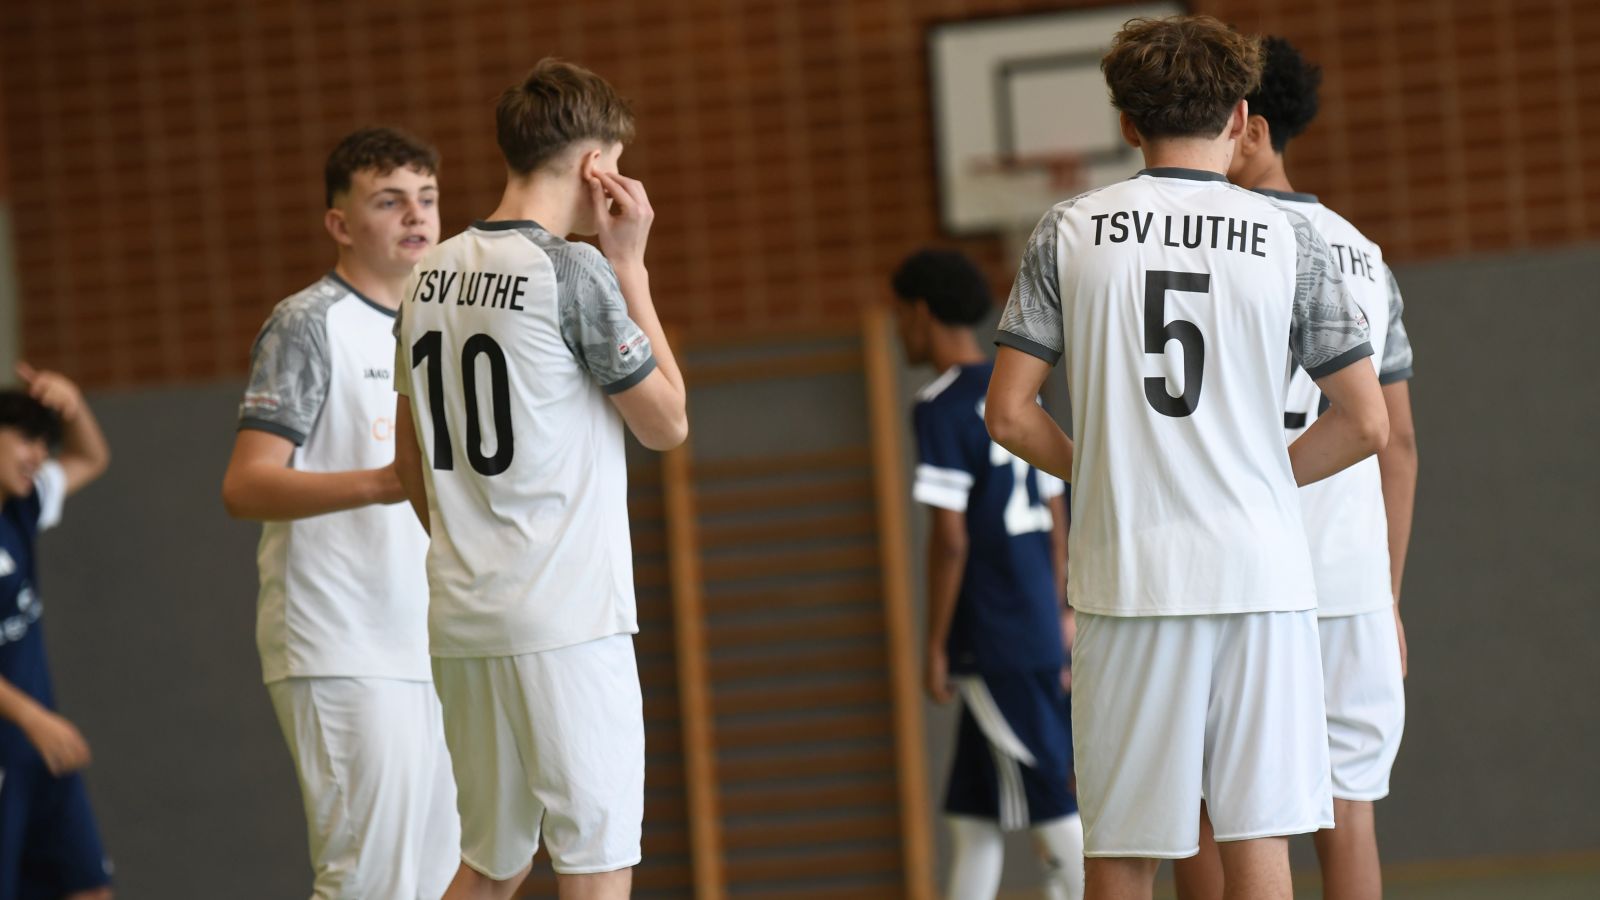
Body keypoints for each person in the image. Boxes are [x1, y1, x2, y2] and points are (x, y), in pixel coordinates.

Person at [982, 15, 1390, 900]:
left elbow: (1008, 415)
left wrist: (1104, 474)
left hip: (1131, 580)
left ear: (1127, 123)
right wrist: (1259, 482)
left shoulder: (1068, 230)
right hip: (1263, 580)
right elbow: (1368, 424)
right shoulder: (1291, 237)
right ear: (1240, 116)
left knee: (1123, 856)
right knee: (1258, 843)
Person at [392, 58, 687, 900]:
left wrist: (477, 547)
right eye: (618, 163)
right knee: (596, 865)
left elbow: (411, 460)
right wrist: (630, 267)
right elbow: (667, 422)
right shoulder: (571, 269)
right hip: (565, 620)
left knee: (494, 864)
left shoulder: (426, 274)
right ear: (596, 166)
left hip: (463, 617)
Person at [1173, 36, 1418, 900]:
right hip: (1350, 578)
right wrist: (1387, 595)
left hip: (1242, 568)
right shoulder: (1364, 253)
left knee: (1210, 808)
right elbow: (1398, 442)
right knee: (1349, 814)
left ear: (1250, 127)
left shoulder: (1208, 244)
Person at [220, 127, 458, 900]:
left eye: (426, 198)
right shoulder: (309, 323)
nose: (415, 216)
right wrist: (386, 483)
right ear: (340, 224)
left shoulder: (445, 325)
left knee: (444, 879)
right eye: (389, 201)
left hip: (434, 642)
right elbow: (246, 485)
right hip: (343, 640)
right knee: (370, 882)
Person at [891, 248, 1084, 900]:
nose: (899, 330)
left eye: (900, 315)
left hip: (993, 634)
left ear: (920, 313)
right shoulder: (1020, 389)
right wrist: (1060, 610)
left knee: (1053, 802)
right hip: (1035, 623)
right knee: (972, 819)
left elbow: (950, 540)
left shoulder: (939, 406)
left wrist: (937, 644)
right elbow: (1056, 517)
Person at [0, 364, 113, 900]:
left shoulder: (21, 506)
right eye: (26, 439)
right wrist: (30, 716)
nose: (39, 455)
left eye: (45, 444)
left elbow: (91, 457)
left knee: (88, 887)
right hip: (28, 733)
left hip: (41, 750)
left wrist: (74, 404)